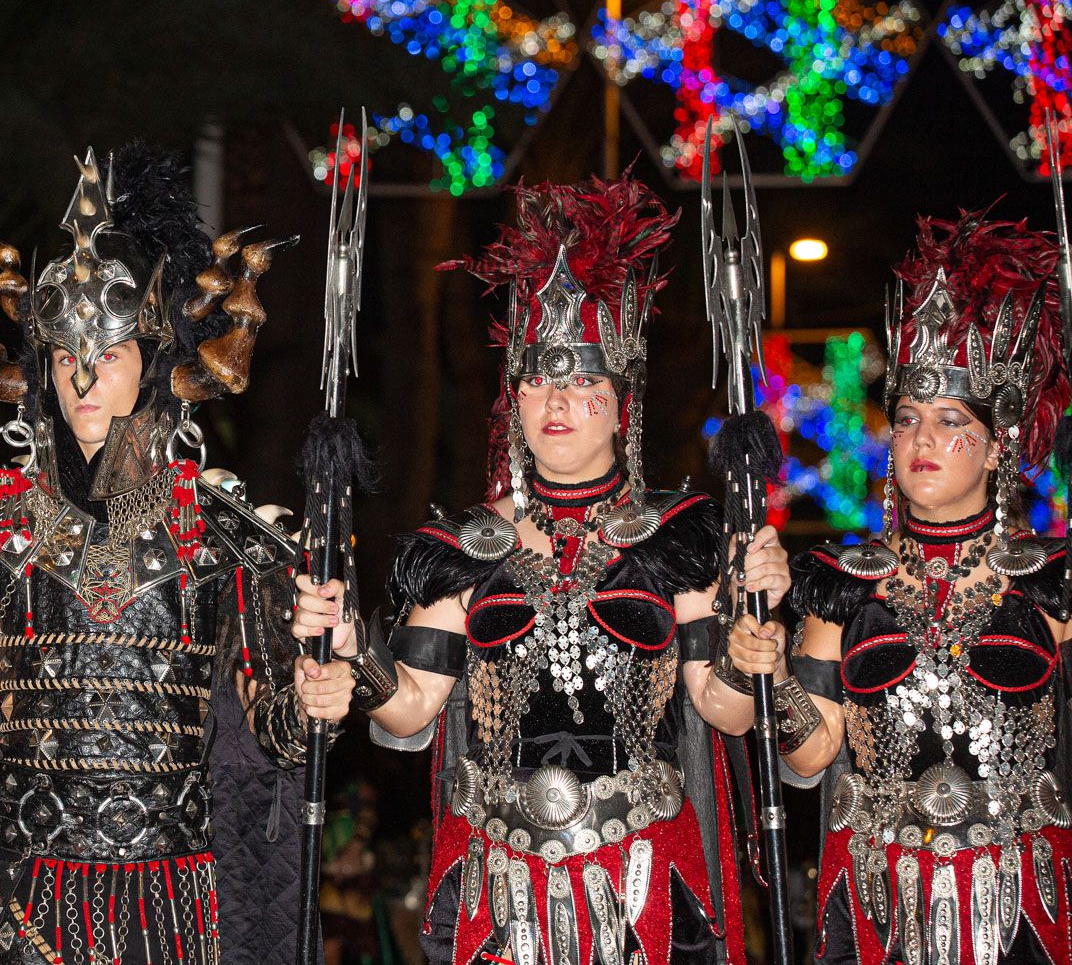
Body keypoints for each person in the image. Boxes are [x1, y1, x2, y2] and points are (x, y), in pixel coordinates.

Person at [0, 144, 354, 964]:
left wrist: (319, 698)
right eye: (66, 357)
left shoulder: (224, 537)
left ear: (154, 359)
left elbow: (267, 729)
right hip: (26, 899)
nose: (83, 378)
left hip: (170, 905)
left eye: (107, 354)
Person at [295, 176, 792, 965]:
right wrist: (354, 656)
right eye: (537, 380)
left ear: (621, 402)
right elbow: (413, 710)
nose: (555, 400)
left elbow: (723, 710)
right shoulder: (466, 546)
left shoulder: (679, 536)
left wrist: (748, 643)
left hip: (644, 882)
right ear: (514, 398)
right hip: (502, 887)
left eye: (581, 382)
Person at [772, 210, 1072, 965]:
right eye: (906, 419)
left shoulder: (1051, 582)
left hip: (1023, 902)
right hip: (881, 901)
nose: (924, 440)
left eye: (949, 420)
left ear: (998, 446)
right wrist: (773, 672)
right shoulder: (842, 583)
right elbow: (810, 758)